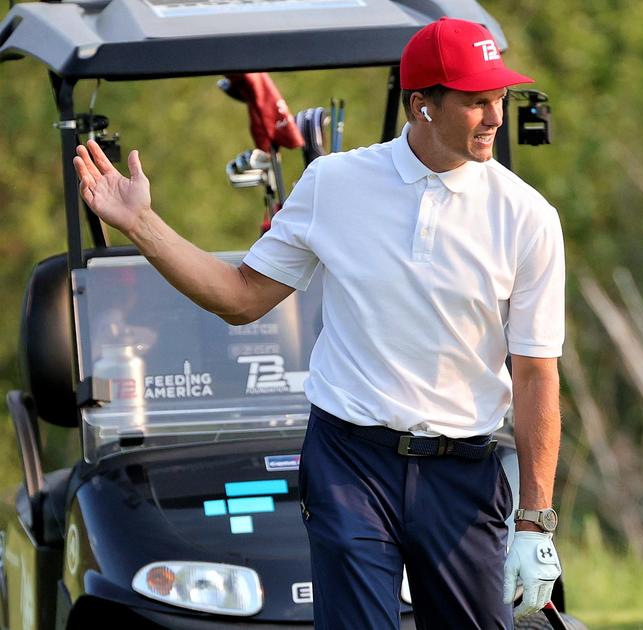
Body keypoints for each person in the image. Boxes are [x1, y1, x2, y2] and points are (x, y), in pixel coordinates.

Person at [72, 17, 565, 630]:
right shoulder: (334, 183)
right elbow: (240, 298)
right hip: (351, 462)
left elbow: (537, 375)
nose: (494, 115)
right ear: (423, 107)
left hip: (464, 474)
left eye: (499, 98)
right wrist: (142, 224)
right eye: (475, 101)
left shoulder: (528, 217)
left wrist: (535, 522)